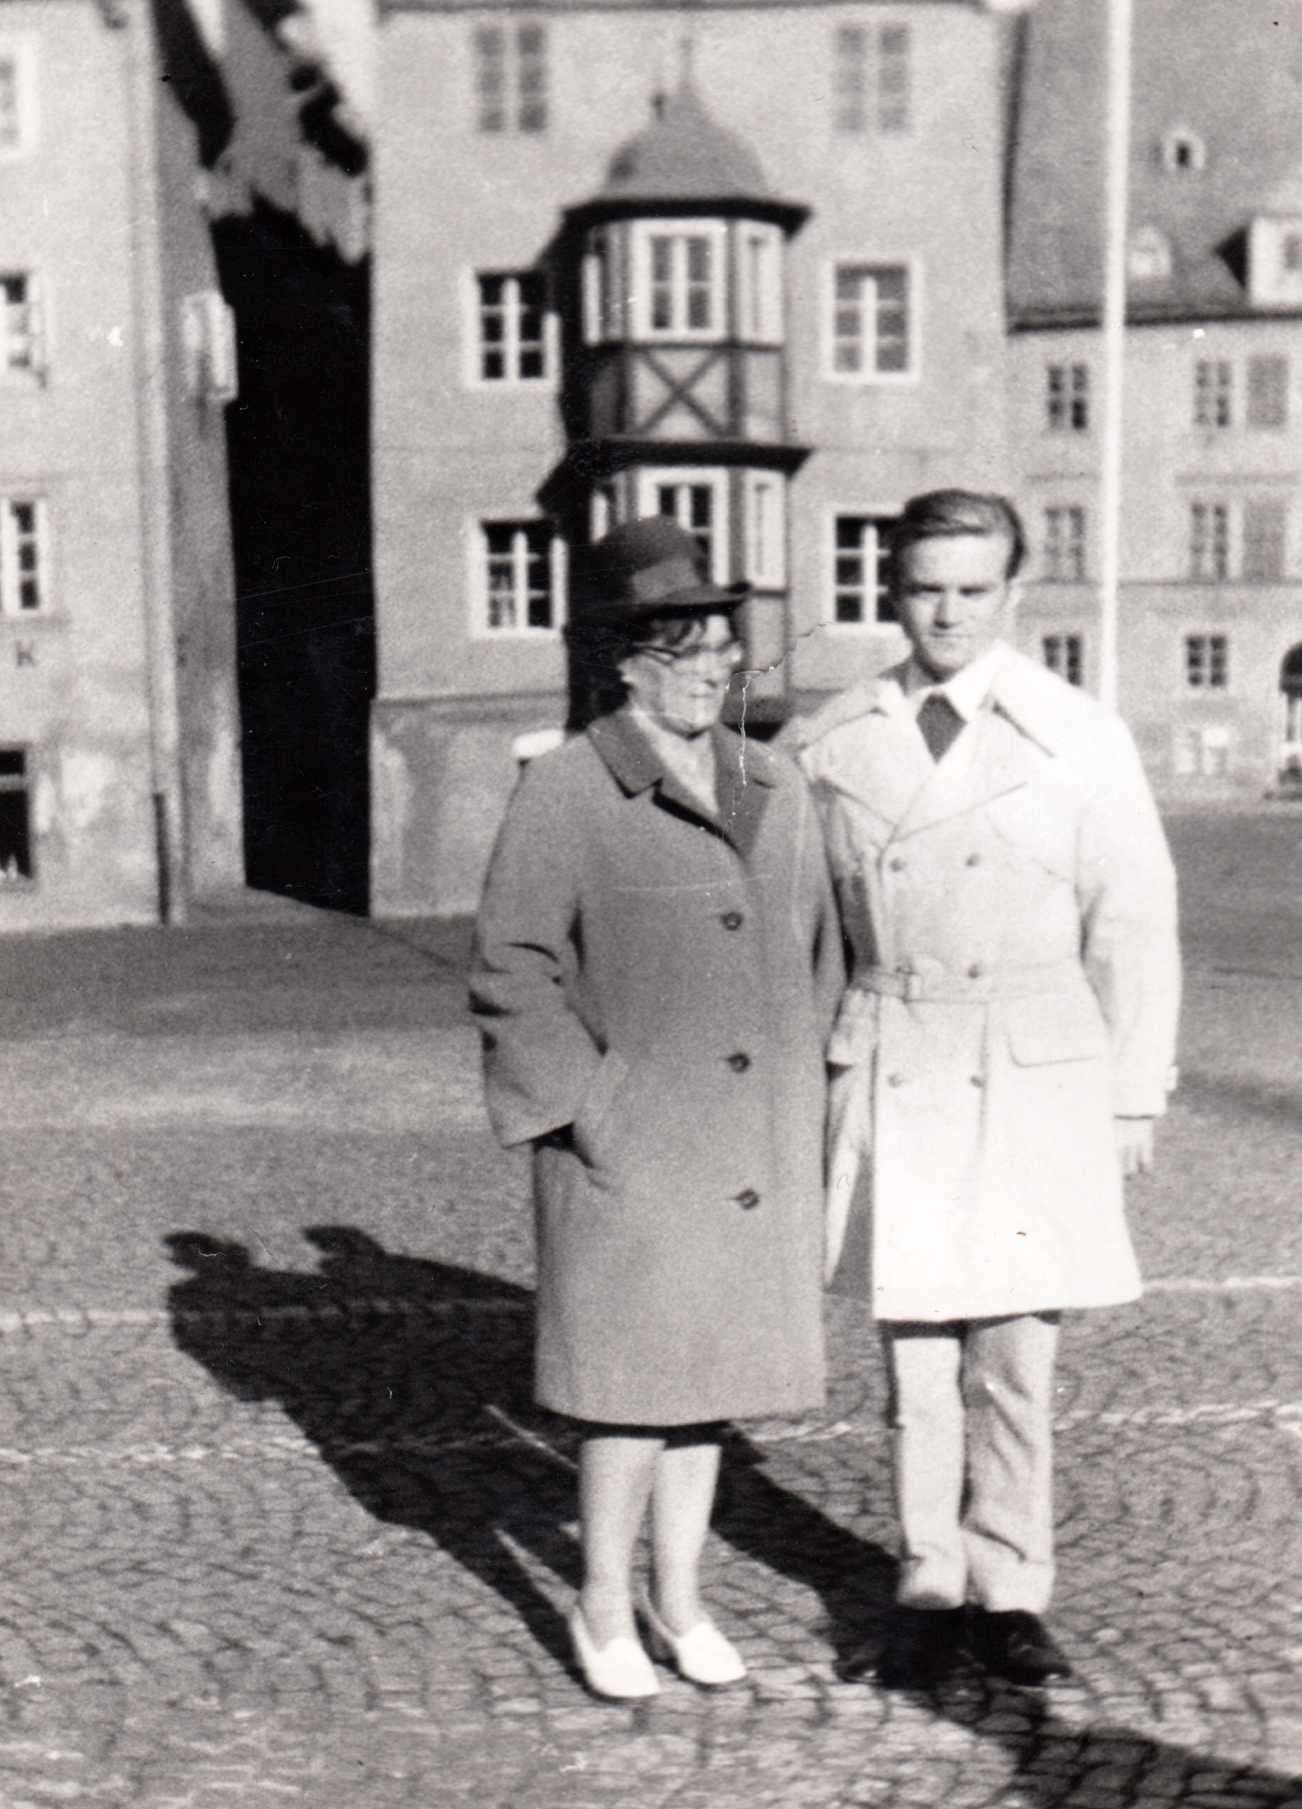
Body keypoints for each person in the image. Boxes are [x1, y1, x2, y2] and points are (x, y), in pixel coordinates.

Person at [785, 490, 1180, 1689]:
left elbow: (1134, 923)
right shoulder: (833, 738)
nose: (947, 613)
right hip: (898, 1051)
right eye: (924, 589)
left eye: (971, 589)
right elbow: (802, 930)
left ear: (1015, 594)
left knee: (1013, 1360)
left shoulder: (1078, 734)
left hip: (1030, 1064)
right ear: (891, 592)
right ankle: (926, 1581)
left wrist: (1131, 1095)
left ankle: (1010, 1589)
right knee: (915, 1357)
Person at [471, 516, 843, 1701]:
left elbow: (818, 950)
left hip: (745, 1147)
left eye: (722, 648)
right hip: (631, 1150)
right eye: (682, 652)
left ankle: (678, 1601)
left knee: (707, 1391)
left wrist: (801, 1093)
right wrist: (593, 1110)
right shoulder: (568, 791)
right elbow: (512, 968)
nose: (711, 670)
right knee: (626, 1396)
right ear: (624, 663)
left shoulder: (769, 783)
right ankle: (599, 1604)